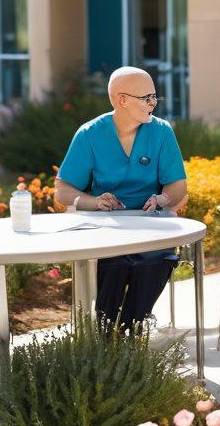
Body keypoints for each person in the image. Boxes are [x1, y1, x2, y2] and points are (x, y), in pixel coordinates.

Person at [54, 66, 188, 326]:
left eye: (154, 98)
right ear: (121, 100)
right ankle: (106, 334)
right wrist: (94, 201)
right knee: (113, 263)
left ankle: (130, 330)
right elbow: (63, 189)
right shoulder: (90, 134)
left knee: (157, 261)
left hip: (151, 226)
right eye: (146, 98)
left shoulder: (161, 132)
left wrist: (162, 200)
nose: (152, 104)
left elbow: (178, 187)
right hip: (106, 227)